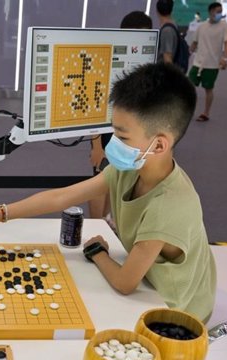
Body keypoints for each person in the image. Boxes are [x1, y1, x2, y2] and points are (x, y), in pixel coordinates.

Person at [0, 63, 217, 323]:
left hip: (177, 310)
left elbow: (126, 282)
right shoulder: (131, 167)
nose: (113, 144)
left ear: (159, 144)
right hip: (150, 278)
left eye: (122, 137)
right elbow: (61, 197)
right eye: (113, 133)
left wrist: (97, 252)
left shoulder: (168, 205)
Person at [89, 10, 153, 219]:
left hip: (131, 137)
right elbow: (94, 107)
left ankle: (106, 220)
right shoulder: (109, 63)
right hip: (106, 134)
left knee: (119, 181)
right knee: (100, 181)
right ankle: (96, 223)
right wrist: (97, 146)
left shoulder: (146, 67)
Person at [188, 2, 227, 122]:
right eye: (217, 11)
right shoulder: (202, 26)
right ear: (210, 12)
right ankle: (188, 110)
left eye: (221, 11)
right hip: (198, 63)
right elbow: (194, 43)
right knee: (189, 86)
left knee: (208, 89)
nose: (220, 14)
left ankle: (206, 113)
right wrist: (188, 53)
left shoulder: (224, 26)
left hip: (212, 64)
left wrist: (225, 58)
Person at [156, 0, 178, 64]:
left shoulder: (167, 30)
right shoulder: (173, 25)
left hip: (163, 71)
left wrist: (169, 73)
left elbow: (167, 57)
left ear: (157, 11)